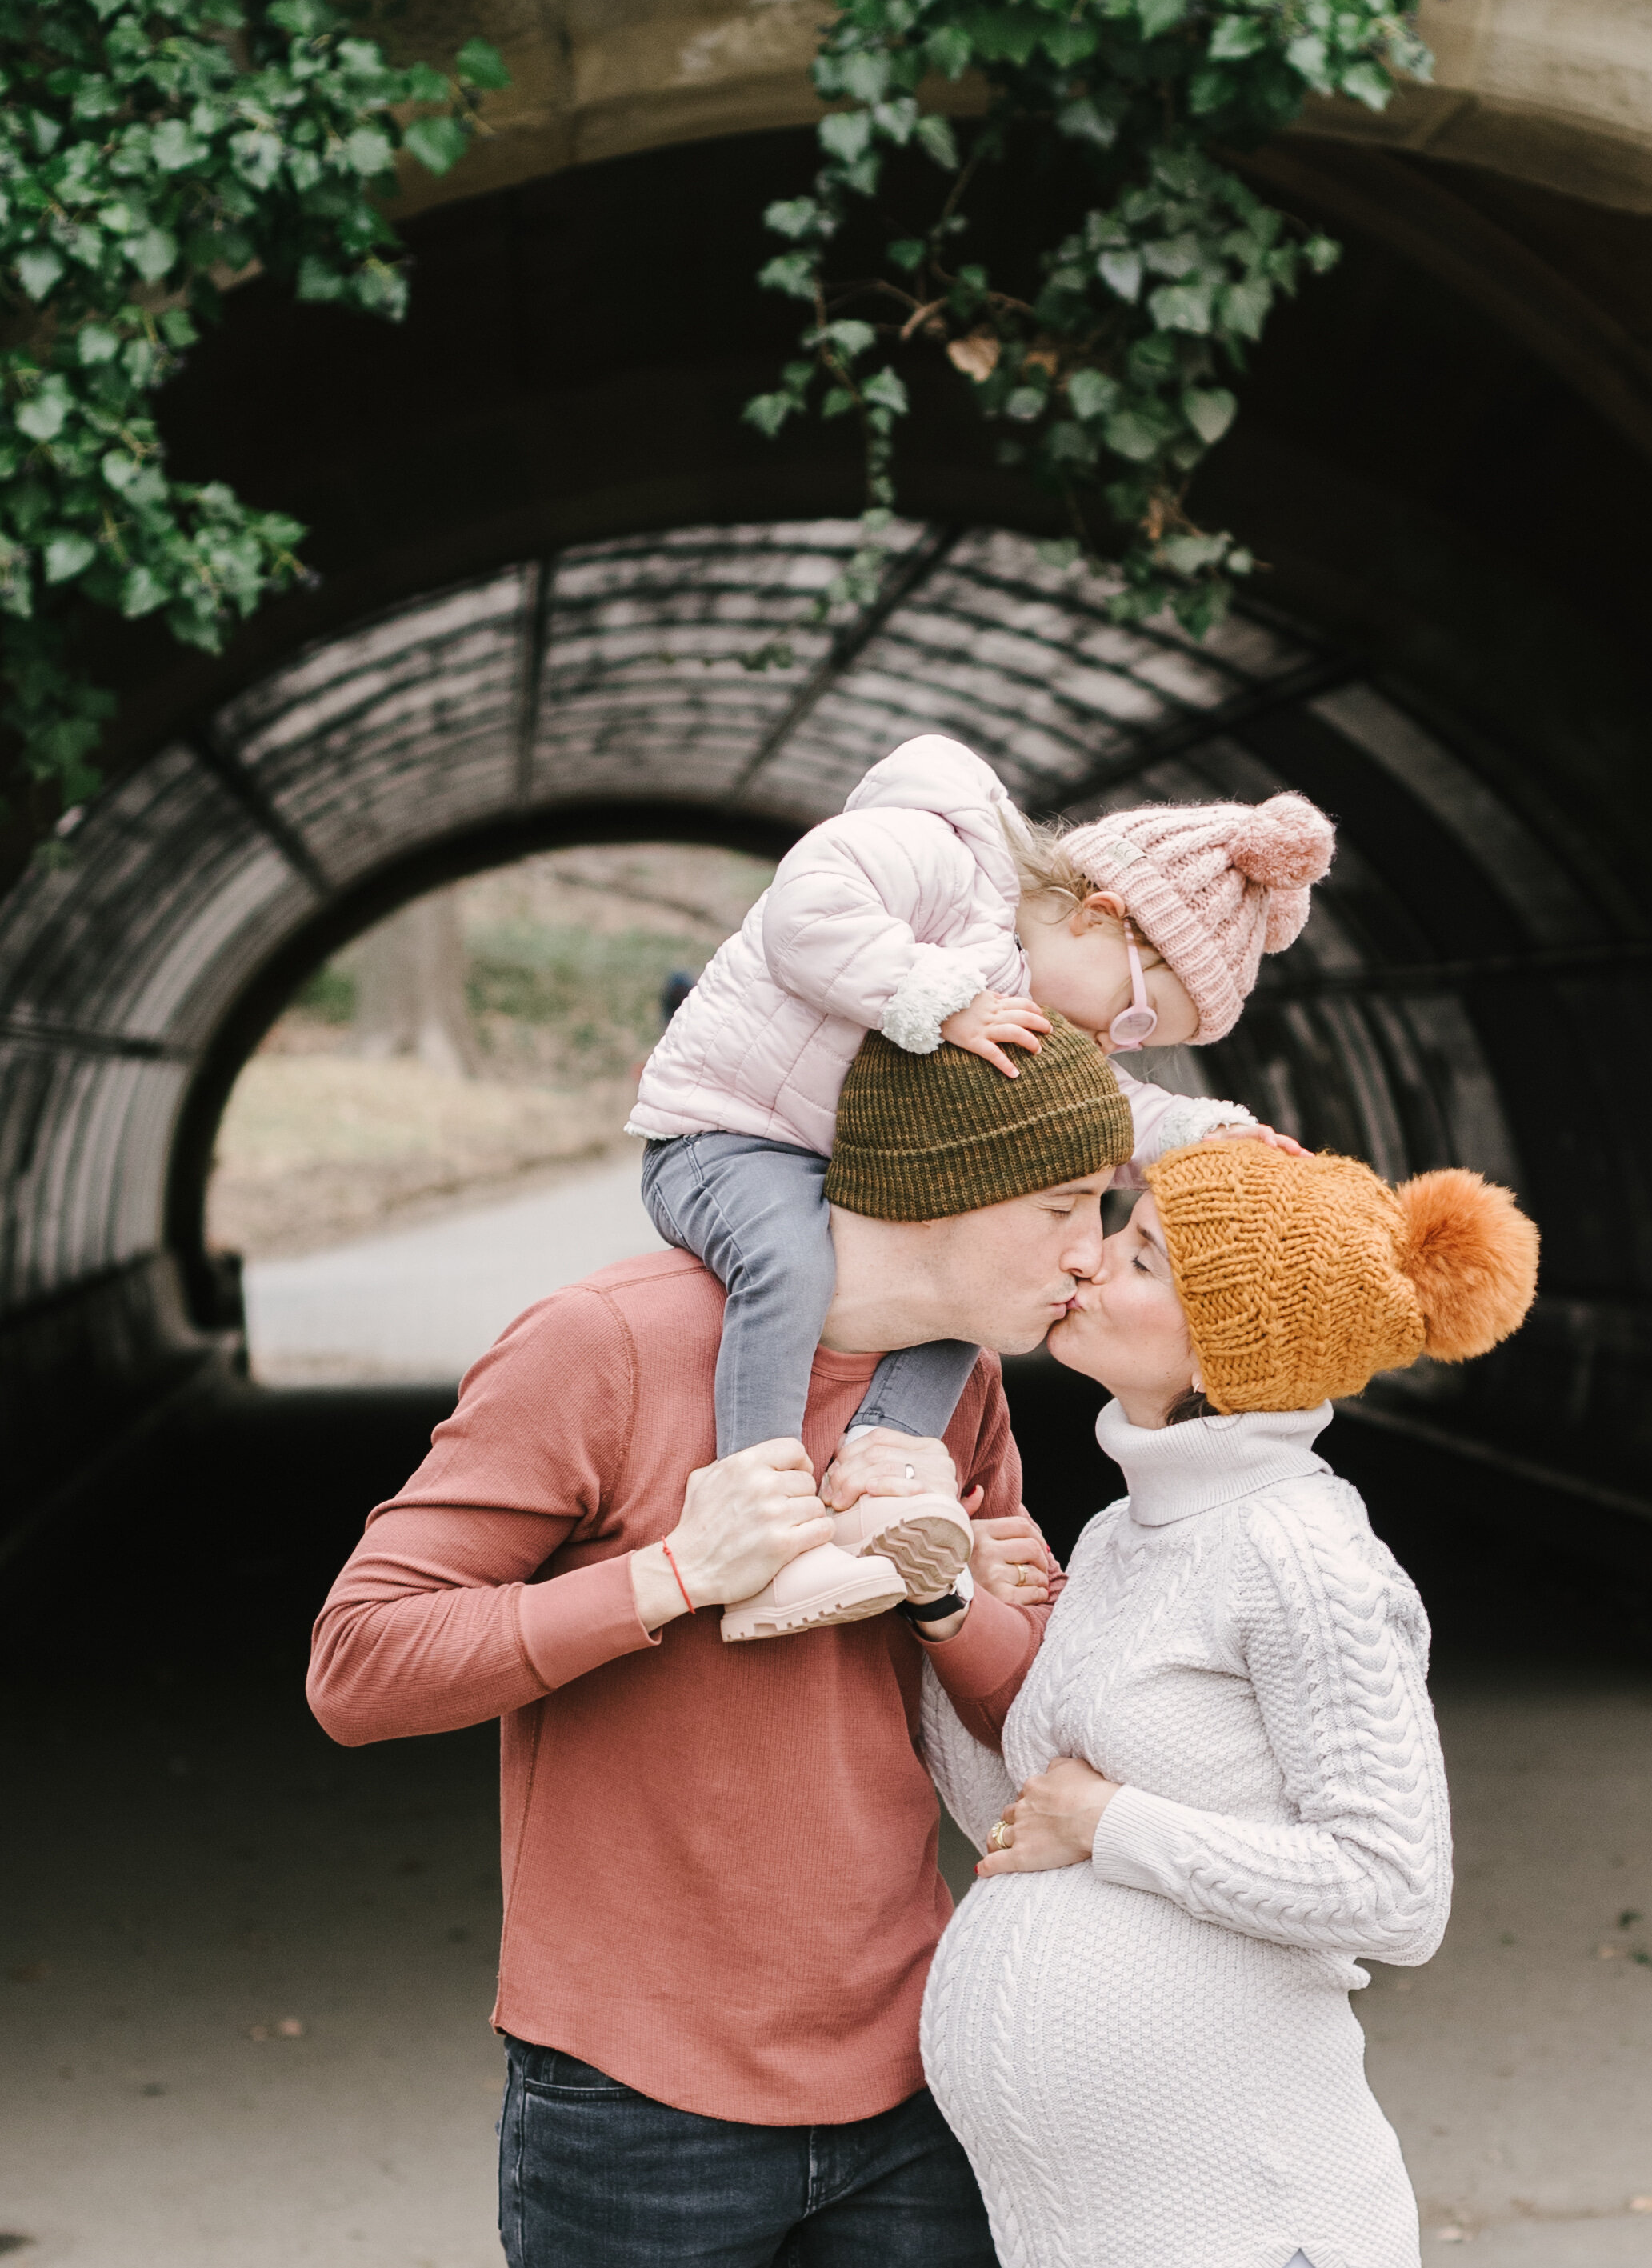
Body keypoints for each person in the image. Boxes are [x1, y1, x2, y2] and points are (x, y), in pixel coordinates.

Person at [306, 1017, 1132, 2268]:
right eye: (1065, 1205)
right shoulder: (605, 1346)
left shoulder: (956, 1385)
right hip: (637, 2096)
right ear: (942, 1180)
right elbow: (360, 1664)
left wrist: (946, 1587)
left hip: (916, 2066)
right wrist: (673, 1574)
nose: (1094, 1256)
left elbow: (1032, 1718)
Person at [918, 1135, 1541, 2268]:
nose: (1093, 1261)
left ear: (1230, 1349)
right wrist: (941, 1611)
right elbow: (1020, 1830)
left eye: (1144, 1257)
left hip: (1256, 2232)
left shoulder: (1300, 1554)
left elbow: (1395, 1889)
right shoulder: (1121, 1533)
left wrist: (1113, 1824)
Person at [631, 730, 1333, 1639]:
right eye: (1136, 1014)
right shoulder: (941, 853)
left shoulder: (1040, 1002)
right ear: (1098, 915)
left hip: (842, 1166)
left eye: (1147, 1041)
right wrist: (936, 997)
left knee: (981, 1290)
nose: (1121, 1043)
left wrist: (1210, 1133)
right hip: (724, 1132)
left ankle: (880, 1466)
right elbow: (806, 910)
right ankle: (760, 1530)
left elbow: (1093, 1113)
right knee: (791, 1267)